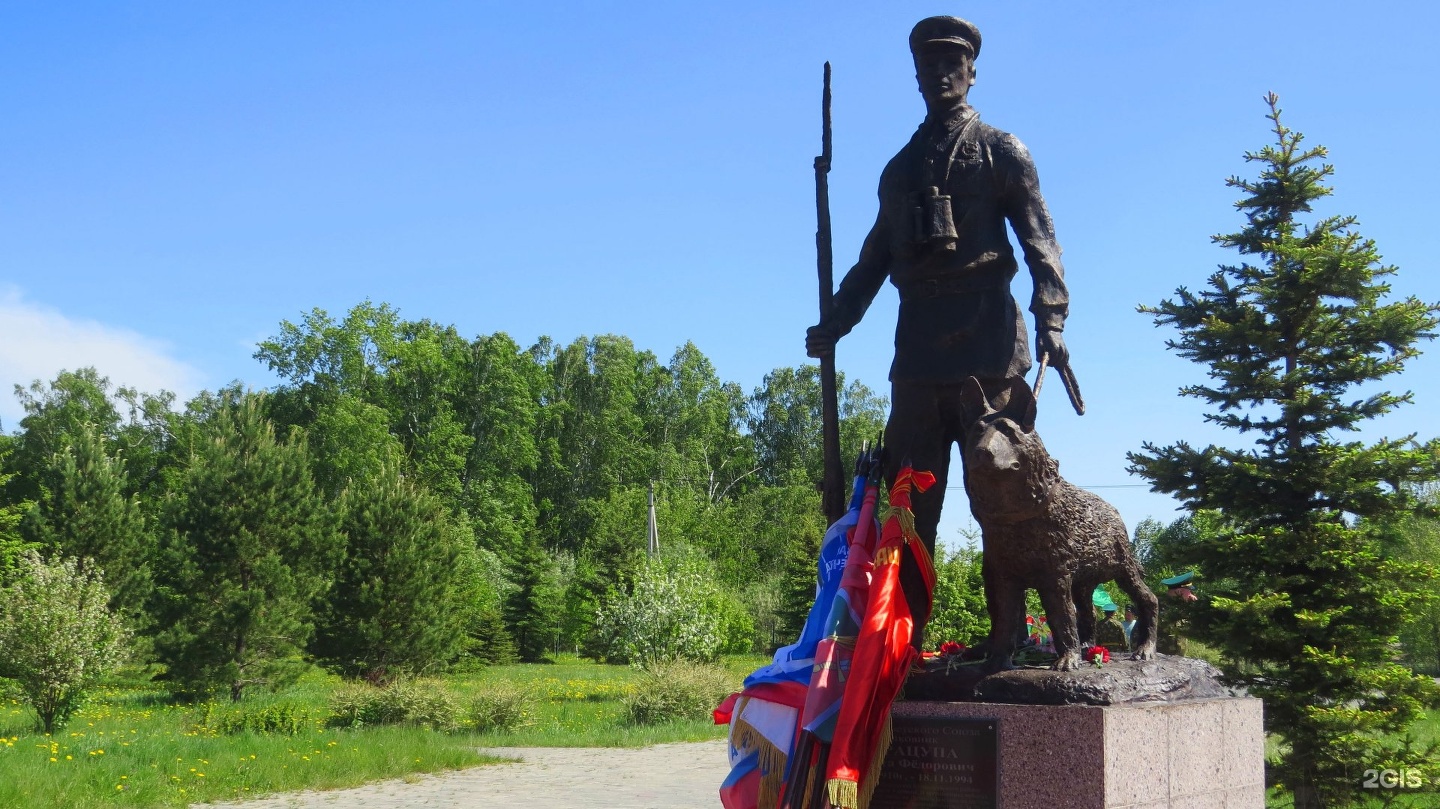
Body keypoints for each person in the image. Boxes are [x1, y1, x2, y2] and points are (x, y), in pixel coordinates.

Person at [805, 16, 1071, 642]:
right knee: (908, 508)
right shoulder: (899, 172)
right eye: (930, 66)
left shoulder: (1002, 151)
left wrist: (1052, 319)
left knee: (1007, 502)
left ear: (972, 72)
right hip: (920, 354)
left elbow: (1041, 242)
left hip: (990, 348)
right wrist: (836, 323)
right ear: (917, 78)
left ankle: (1018, 635)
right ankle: (903, 643)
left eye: (954, 64)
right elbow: (874, 260)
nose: (943, 75)